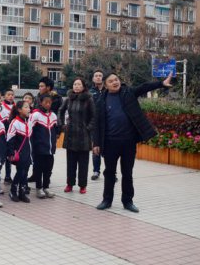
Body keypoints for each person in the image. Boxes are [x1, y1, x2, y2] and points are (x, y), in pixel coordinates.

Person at [94, 72, 173, 213]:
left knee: (127, 173)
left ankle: (128, 201)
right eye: (111, 81)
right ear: (105, 85)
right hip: (110, 142)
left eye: (116, 79)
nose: (115, 82)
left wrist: (161, 84)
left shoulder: (128, 93)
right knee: (109, 173)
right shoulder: (101, 100)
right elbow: (97, 123)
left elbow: (144, 87)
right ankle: (107, 200)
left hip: (128, 142)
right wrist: (96, 143)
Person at [58, 77, 95, 194]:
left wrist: (88, 128)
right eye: (74, 84)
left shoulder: (89, 99)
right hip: (70, 135)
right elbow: (60, 111)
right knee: (71, 163)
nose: (76, 86)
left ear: (83, 87)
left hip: (84, 136)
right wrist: (62, 125)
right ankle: (70, 184)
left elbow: (94, 116)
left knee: (83, 163)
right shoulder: (69, 99)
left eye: (79, 84)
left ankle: (82, 186)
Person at [30, 94, 59, 199]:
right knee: (39, 169)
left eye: (49, 102)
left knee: (48, 169)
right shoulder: (35, 115)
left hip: (50, 149)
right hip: (39, 148)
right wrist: (33, 146)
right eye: (45, 102)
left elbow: (56, 131)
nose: (48, 104)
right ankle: (38, 188)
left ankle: (46, 187)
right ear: (40, 102)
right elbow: (30, 131)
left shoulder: (53, 115)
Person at [6, 101, 32, 203]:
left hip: (28, 152)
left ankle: (21, 192)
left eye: (29, 107)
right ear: (19, 110)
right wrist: (11, 152)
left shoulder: (28, 121)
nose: (29, 109)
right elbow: (10, 139)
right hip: (19, 153)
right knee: (20, 172)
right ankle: (13, 191)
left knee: (25, 173)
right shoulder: (15, 122)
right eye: (26, 107)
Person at [89, 70, 105, 181]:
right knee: (95, 147)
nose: (98, 77)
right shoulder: (90, 92)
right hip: (94, 124)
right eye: (96, 76)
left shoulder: (108, 90)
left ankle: (111, 172)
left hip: (107, 123)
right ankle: (96, 171)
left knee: (109, 149)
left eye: (100, 76)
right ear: (93, 78)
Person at [1, 89, 15, 184]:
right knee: (3, 157)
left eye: (12, 95)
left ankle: (8, 176)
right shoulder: (1, 107)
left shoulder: (16, 106)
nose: (10, 96)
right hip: (3, 134)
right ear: (4, 96)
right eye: (8, 94)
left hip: (12, 135)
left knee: (10, 156)